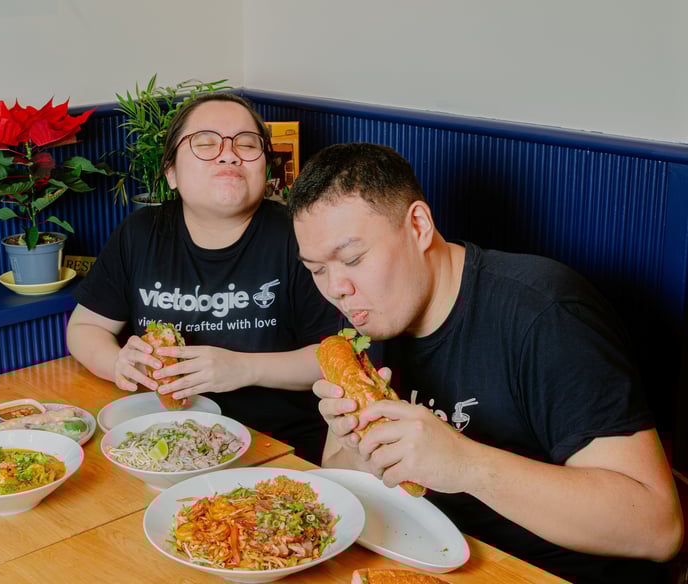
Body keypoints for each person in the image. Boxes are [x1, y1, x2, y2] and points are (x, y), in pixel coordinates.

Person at [286, 142, 684, 583]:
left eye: (353, 258)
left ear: (418, 226)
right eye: (316, 270)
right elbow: (336, 469)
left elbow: (657, 528)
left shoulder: (546, 313)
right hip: (425, 562)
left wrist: (466, 465)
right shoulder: (368, 314)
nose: (336, 289)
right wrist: (358, 444)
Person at [66, 93, 338, 464]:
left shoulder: (299, 234)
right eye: (206, 144)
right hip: (164, 444)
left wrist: (242, 368)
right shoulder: (140, 233)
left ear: (267, 169)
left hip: (278, 451)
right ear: (171, 173)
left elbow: (336, 358)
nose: (229, 155)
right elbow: (85, 327)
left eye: (247, 144)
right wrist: (118, 364)